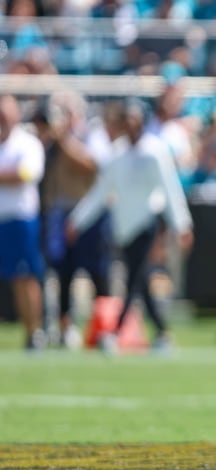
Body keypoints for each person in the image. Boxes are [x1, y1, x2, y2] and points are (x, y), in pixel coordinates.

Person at [66, 98, 194, 354]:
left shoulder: (155, 151)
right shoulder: (118, 154)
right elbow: (100, 193)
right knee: (141, 279)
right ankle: (162, 334)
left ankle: (115, 332)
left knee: (134, 279)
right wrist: (77, 221)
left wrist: (182, 224)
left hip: (147, 223)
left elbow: (170, 188)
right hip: (124, 228)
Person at [34, 91, 113, 349]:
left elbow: (92, 165)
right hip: (61, 212)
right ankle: (67, 327)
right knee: (63, 273)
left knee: (96, 273)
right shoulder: (53, 142)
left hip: (90, 214)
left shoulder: (93, 135)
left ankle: (104, 328)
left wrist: (64, 140)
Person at [0, 94, 47, 351]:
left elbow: (26, 174)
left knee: (25, 276)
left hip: (21, 219)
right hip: (2, 220)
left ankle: (34, 332)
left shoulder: (27, 143)